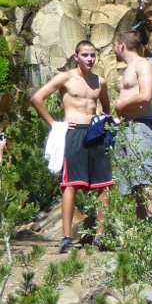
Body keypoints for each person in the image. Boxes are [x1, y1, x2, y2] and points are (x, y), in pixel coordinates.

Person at [29, 40, 113, 253]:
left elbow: (106, 108)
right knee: (71, 185)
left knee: (104, 185)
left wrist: (106, 123)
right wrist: (54, 124)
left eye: (93, 55)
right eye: (85, 55)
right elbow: (36, 98)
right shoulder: (65, 78)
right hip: (73, 134)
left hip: (95, 134)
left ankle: (101, 236)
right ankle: (66, 237)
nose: (89, 59)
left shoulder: (99, 82)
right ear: (76, 57)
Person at [113, 30, 152, 219]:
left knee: (143, 180)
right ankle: (144, 234)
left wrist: (122, 104)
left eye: (114, 46)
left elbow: (146, 95)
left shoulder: (143, 64)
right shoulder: (128, 69)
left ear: (121, 45)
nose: (113, 50)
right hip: (127, 129)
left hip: (139, 128)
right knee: (135, 184)